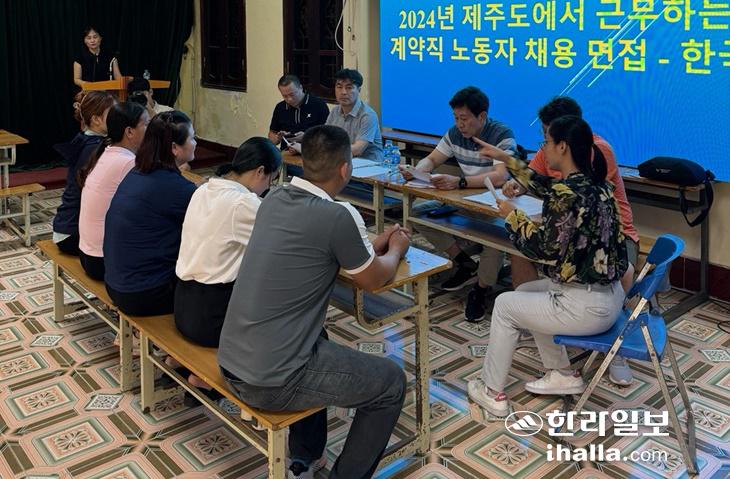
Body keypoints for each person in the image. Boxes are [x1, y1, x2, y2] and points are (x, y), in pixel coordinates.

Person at [218, 125, 410, 479]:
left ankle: (306, 455)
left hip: (231, 359)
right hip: (269, 380)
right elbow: (374, 279)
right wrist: (396, 248)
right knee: (391, 382)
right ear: (346, 169)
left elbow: (322, 248)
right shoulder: (337, 215)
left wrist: (371, 245)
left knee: (318, 336)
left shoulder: (274, 198)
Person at [466, 116, 628, 418]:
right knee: (526, 293)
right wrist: (505, 158)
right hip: (610, 298)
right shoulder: (599, 187)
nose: (544, 148)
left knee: (504, 305)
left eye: (547, 142)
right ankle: (561, 373)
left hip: (585, 308)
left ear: (562, 147)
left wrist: (512, 216)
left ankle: (491, 391)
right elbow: (544, 186)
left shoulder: (566, 194)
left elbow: (543, 250)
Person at [502, 96, 638, 385]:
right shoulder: (552, 154)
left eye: (547, 138)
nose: (543, 145)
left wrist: (518, 217)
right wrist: (517, 182)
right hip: (574, 235)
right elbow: (537, 179)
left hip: (613, 236)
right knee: (522, 259)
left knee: (618, 270)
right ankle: (541, 328)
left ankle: (616, 351)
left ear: (563, 141)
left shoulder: (598, 152)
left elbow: (578, 203)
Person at [400, 86, 517, 322]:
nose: (459, 124)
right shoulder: (454, 133)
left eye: (464, 119)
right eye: (456, 118)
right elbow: (433, 158)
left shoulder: (501, 134)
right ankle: (463, 262)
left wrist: (460, 182)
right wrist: (416, 171)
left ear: (482, 116)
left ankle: (481, 290)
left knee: (495, 240)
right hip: (465, 200)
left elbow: (500, 176)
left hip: (494, 204)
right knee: (418, 214)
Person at [175, 137, 281, 348]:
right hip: (212, 318)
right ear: (260, 171)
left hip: (183, 304)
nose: (269, 187)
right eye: (272, 179)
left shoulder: (203, 189)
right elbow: (281, 240)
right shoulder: (243, 203)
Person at [103, 111, 197, 316]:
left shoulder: (137, 172)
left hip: (114, 283)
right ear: (174, 148)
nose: (195, 143)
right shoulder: (178, 188)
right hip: (144, 294)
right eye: (192, 138)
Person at [77, 102, 149, 280]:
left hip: (88, 254)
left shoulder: (108, 152)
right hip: (102, 260)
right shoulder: (127, 162)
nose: (150, 130)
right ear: (129, 132)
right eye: (146, 124)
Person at [52, 90, 116, 255]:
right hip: (72, 233)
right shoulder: (95, 148)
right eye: (113, 114)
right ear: (96, 119)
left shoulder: (85, 139)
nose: (118, 119)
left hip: (64, 227)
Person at [325, 68, 383, 162]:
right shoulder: (335, 111)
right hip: (342, 161)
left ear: (359, 90)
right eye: (339, 87)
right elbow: (325, 138)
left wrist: (329, 149)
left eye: (349, 88)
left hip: (368, 164)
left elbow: (357, 150)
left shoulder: (368, 115)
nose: (343, 92)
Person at [267, 74, 329, 147]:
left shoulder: (319, 105)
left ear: (301, 88)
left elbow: (327, 136)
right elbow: (272, 133)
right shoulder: (280, 107)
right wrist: (278, 138)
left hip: (311, 151)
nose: (289, 99)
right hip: (287, 151)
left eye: (292, 94)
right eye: (285, 96)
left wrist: (307, 137)